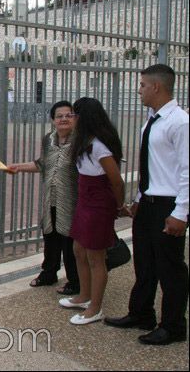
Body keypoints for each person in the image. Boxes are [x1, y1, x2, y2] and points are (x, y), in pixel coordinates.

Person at [105, 64, 188, 345]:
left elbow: (187, 170)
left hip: (169, 205)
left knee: (170, 268)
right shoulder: (152, 120)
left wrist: (181, 212)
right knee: (145, 263)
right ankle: (141, 313)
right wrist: (140, 199)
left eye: (142, 85)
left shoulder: (180, 122)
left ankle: (174, 327)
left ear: (156, 87)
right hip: (149, 203)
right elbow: (152, 167)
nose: (138, 90)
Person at [58, 97, 124, 325]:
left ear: (84, 118)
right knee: (79, 249)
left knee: (96, 257)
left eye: (73, 115)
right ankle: (84, 296)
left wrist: (119, 206)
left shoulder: (99, 147)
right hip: (85, 202)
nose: (70, 118)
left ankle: (95, 308)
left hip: (98, 205)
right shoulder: (83, 143)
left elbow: (116, 181)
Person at [8, 101, 80, 295]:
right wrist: (18, 167)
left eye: (68, 115)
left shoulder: (80, 142)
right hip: (51, 198)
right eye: (59, 116)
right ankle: (49, 273)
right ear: (53, 120)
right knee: (50, 236)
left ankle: (75, 280)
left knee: (69, 241)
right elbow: (42, 164)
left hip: (72, 200)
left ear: (74, 118)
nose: (64, 119)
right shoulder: (48, 139)